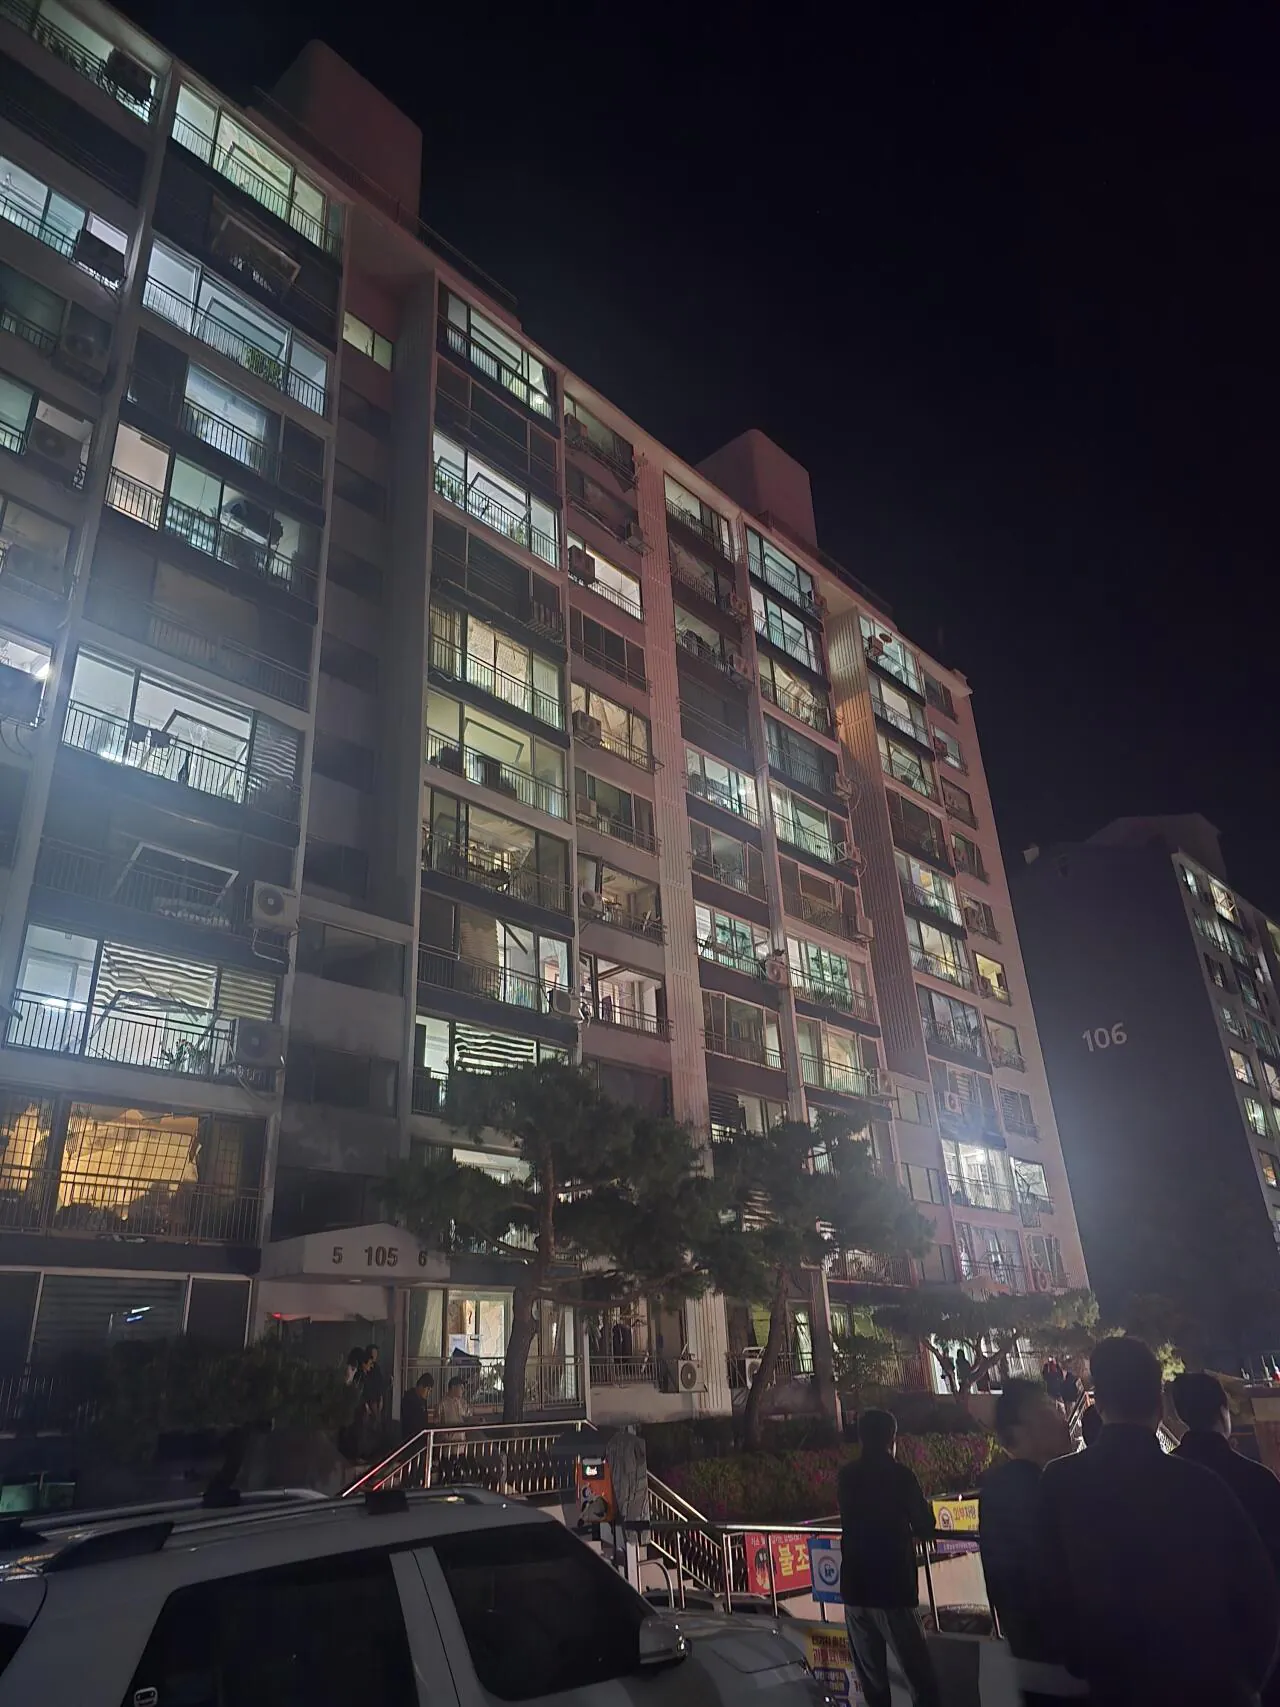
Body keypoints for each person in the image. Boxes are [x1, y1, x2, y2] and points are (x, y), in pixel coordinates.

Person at [1038, 1335, 1280, 1706]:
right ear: (1159, 1405)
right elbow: (1260, 1594)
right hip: (1209, 1687)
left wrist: (1085, 1664)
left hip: (1111, 1687)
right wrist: (1244, 1683)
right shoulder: (1202, 1485)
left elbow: (1048, 1594)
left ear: (1099, 1403)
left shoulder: (1058, 1484)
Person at [837, 1408, 941, 1707]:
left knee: (874, 1686)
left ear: (861, 1439)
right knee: (920, 1680)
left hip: (855, 1590)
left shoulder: (847, 1476)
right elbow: (925, 1525)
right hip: (893, 1590)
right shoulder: (901, 1476)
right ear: (892, 1439)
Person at [979, 1379, 1071, 1664]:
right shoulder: (1033, 1489)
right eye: (1047, 1408)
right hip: (1060, 1657)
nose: (1061, 1418)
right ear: (1018, 1432)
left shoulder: (1001, 1487)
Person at [400, 1372, 434, 1442]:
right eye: (427, 1389)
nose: (428, 1393)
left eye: (430, 1391)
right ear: (421, 1386)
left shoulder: (423, 1400)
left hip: (421, 1437)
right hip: (410, 1438)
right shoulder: (408, 1398)